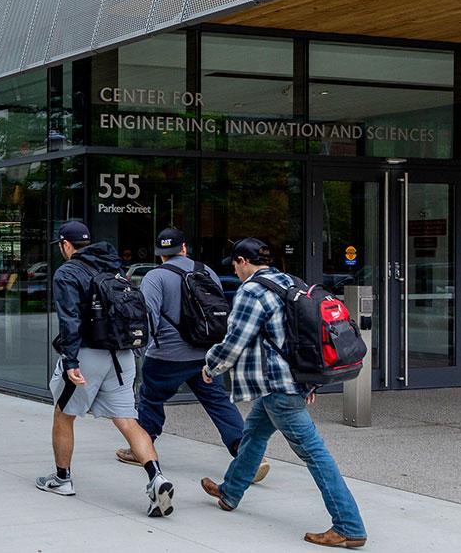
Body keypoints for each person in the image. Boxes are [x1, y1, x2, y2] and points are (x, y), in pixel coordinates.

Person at [200, 238, 366, 548]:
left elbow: (236, 341)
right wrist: (309, 382)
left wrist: (211, 366)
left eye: (234, 264)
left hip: (279, 387)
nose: (234, 271)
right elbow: (305, 336)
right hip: (287, 383)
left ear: (242, 261)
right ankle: (230, 491)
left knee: (315, 454)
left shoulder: (252, 290)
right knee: (254, 434)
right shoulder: (290, 282)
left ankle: (348, 525)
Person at [39, 221, 174, 518]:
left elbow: (70, 320)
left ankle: (62, 479)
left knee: (64, 414)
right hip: (122, 356)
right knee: (127, 421)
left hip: (88, 355)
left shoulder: (68, 272)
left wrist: (71, 362)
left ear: (65, 245)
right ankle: (156, 477)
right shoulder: (113, 267)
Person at [116, 228, 270, 483]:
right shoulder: (206, 271)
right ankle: (250, 455)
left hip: (167, 356)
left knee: (150, 398)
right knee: (219, 403)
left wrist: (140, 349)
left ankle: (141, 447)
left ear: (160, 254)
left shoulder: (155, 277)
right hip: (205, 354)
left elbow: (149, 317)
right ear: (184, 248)